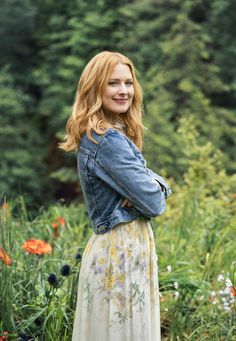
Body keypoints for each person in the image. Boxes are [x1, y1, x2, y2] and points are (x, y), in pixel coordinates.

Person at [59, 51, 172, 341]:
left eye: (128, 83)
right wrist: (158, 184)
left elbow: (148, 192)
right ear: (95, 88)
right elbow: (155, 203)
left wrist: (151, 181)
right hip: (119, 253)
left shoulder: (105, 136)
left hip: (123, 249)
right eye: (113, 83)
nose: (123, 91)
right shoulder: (107, 140)